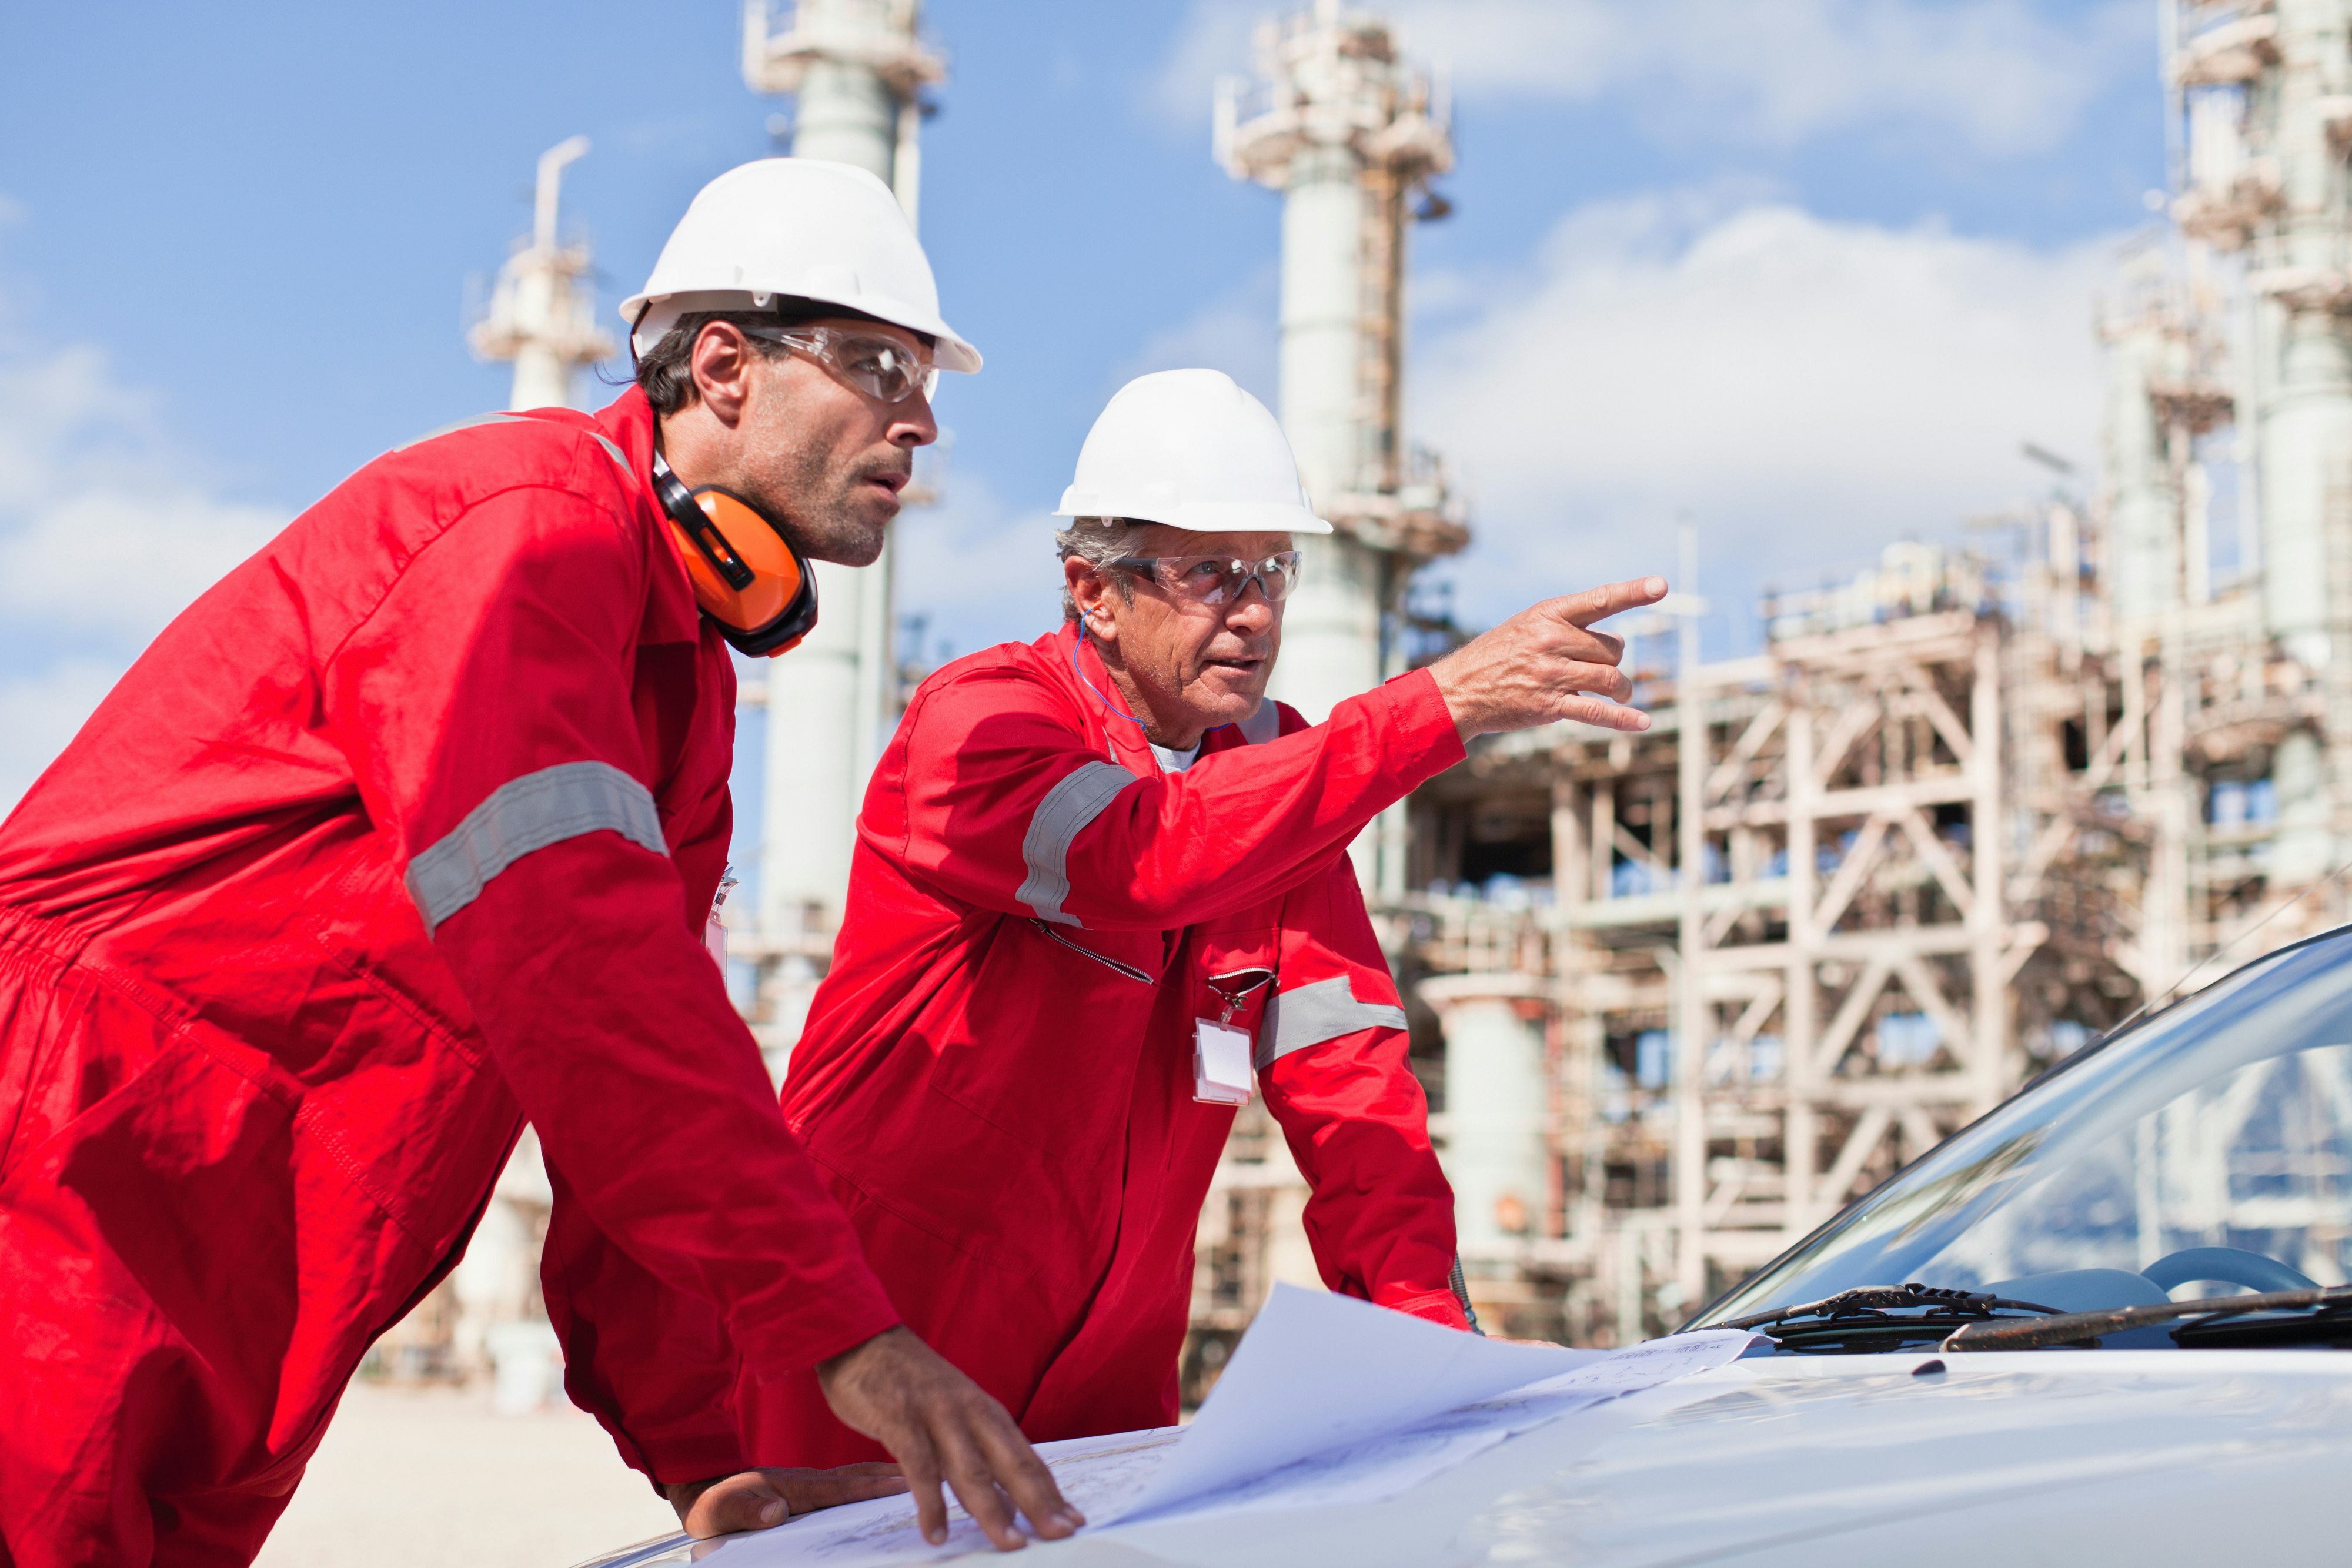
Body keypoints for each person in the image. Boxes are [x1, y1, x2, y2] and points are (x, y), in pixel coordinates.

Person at [0, 159, 1077, 1566]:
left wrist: (706, 1460)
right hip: (81, 1166)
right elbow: (586, 968)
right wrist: (842, 1331)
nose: (921, 421)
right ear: (724, 365)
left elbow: (614, 1095)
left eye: (927, 379)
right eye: (880, 363)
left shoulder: (678, 680)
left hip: (252, 1247)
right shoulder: (524, 531)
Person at [739, 369, 1662, 1465]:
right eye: (1211, 573)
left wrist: (1438, 1359)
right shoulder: (983, 724)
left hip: (1108, 1393)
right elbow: (1146, 855)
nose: (1258, 609)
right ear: (1093, 589)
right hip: (875, 1363)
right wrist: (1438, 707)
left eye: (1274, 569)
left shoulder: (1277, 772)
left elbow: (1353, 1090)